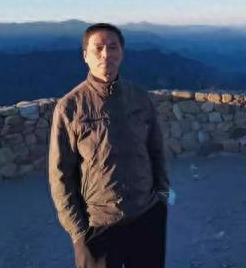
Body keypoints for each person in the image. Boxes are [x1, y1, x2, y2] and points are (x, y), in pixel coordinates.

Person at [48, 22, 170, 268]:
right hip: (98, 225)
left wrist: (162, 197)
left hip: (147, 215)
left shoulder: (139, 98)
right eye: (98, 47)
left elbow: (156, 151)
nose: (106, 54)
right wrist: (78, 231)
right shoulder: (70, 107)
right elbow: (60, 173)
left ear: (122, 53)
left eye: (113, 47)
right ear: (85, 56)